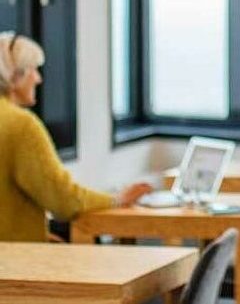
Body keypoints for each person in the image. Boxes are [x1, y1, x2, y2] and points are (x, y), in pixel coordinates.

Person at [0, 32, 152, 242]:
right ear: (15, 76)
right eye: (34, 70)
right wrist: (116, 200)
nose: (38, 78)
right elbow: (63, 199)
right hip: (16, 263)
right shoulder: (21, 125)